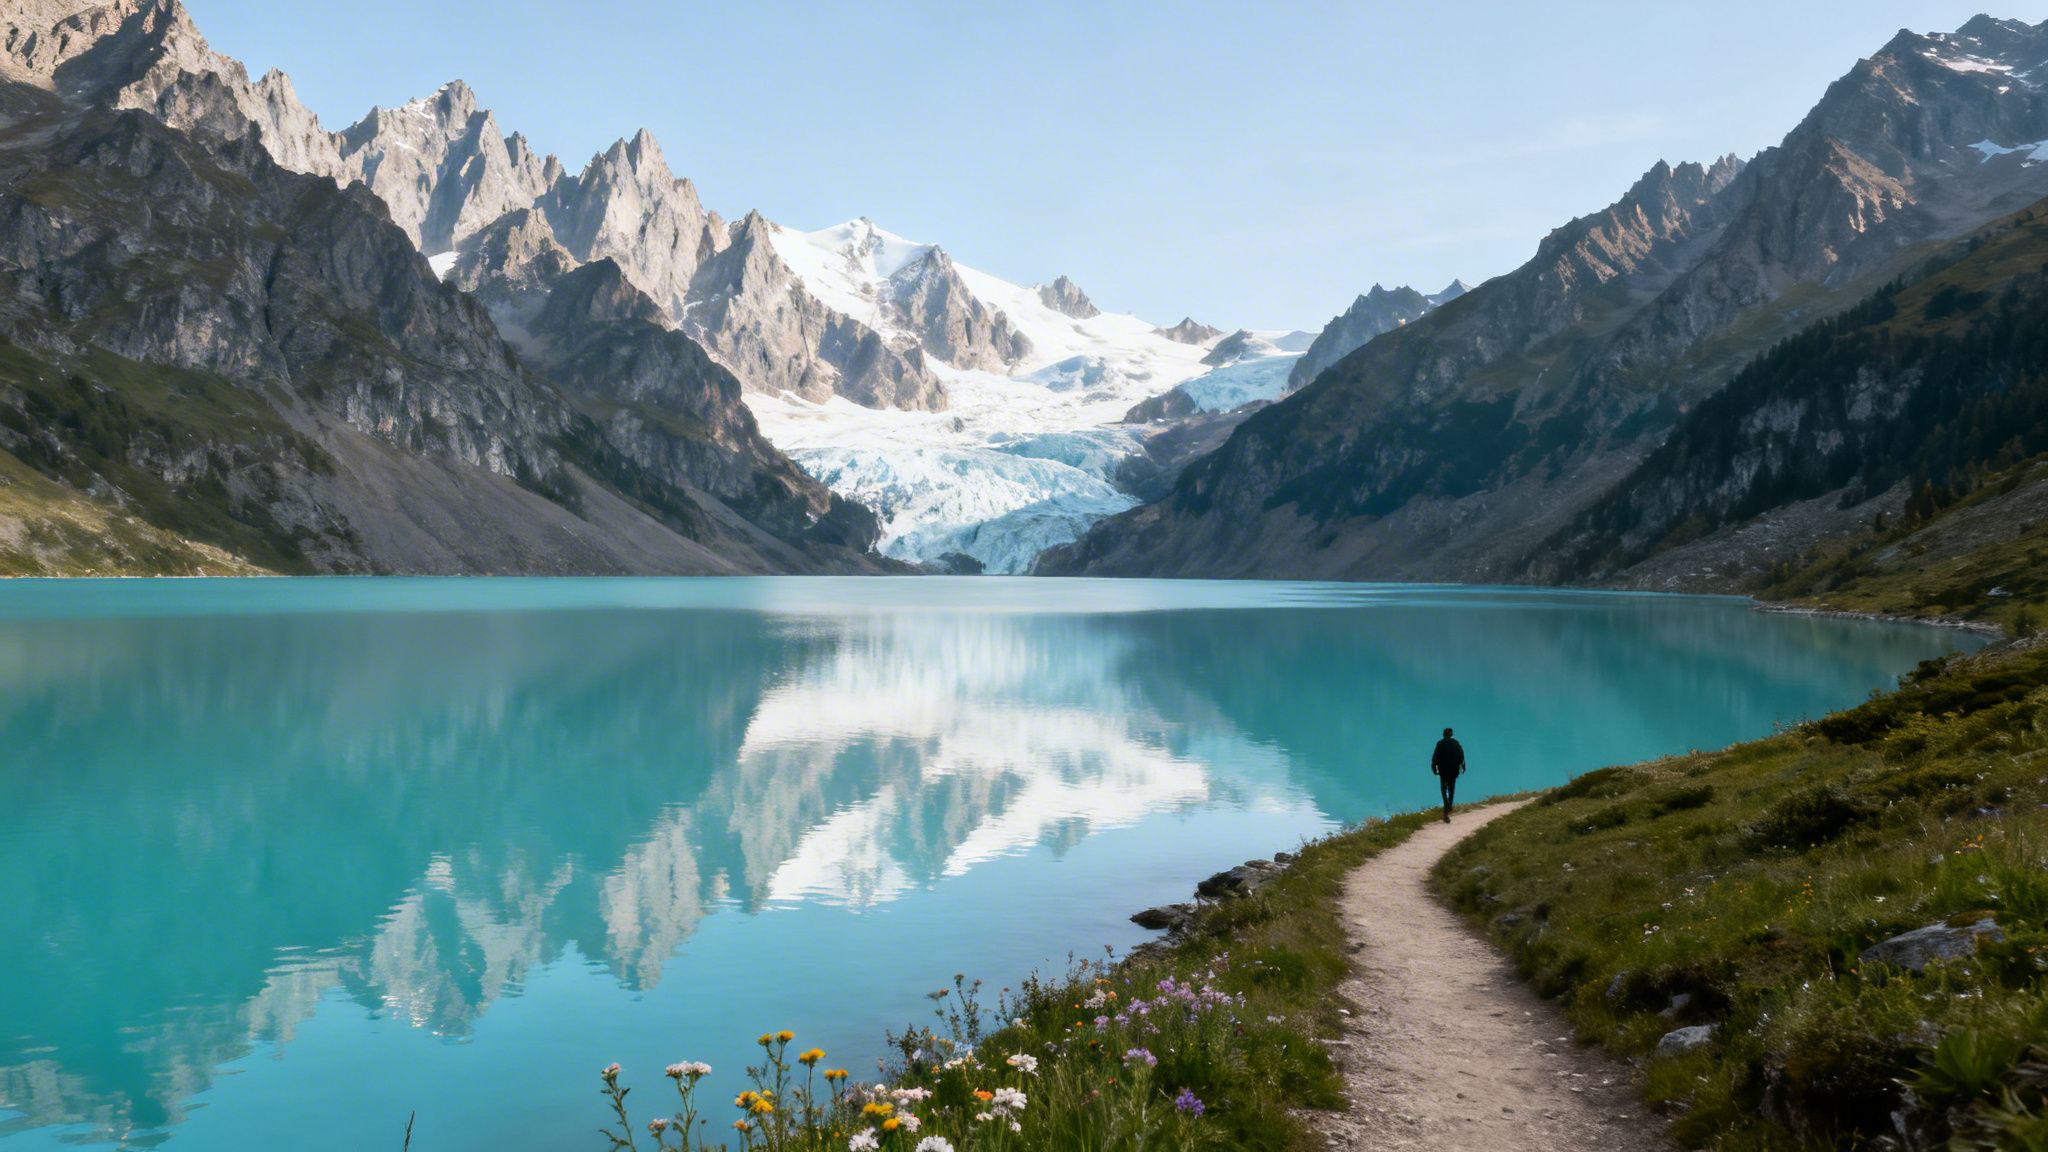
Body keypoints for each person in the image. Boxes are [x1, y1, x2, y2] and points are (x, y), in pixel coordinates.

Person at [1431, 727, 1465, 823]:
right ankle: (1448, 807)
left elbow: (1435, 756)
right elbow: (1461, 756)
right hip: (1454, 770)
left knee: (1443, 788)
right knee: (1451, 788)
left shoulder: (1440, 743)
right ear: (1451, 734)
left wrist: (1434, 767)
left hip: (1443, 770)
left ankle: (1446, 806)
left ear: (1443, 734)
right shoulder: (1456, 743)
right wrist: (1463, 766)